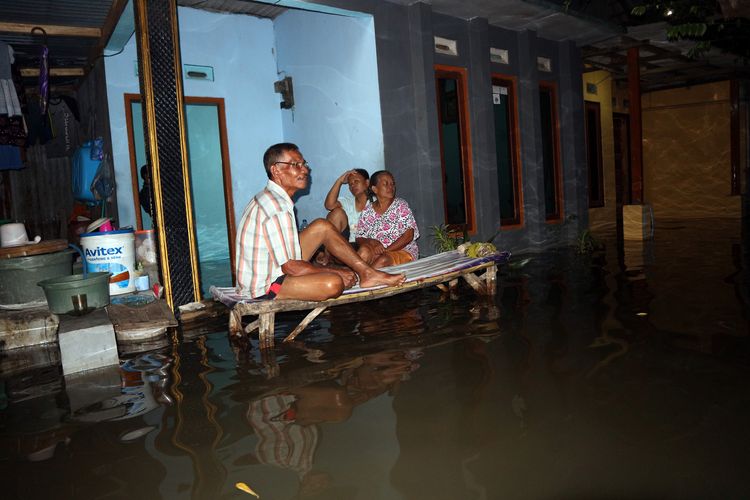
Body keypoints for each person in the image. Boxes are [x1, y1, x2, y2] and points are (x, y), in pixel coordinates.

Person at [235, 143, 405, 301]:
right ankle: (364, 272)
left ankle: (367, 273)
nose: (305, 170)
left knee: (321, 226)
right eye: (296, 165)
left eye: (303, 164)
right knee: (334, 282)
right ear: (276, 170)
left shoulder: (272, 198)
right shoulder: (277, 207)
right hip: (263, 287)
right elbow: (291, 267)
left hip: (278, 268)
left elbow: (288, 262)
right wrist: (336, 270)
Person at [355, 170, 419, 268]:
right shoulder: (367, 210)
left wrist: (385, 251)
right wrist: (372, 242)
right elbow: (359, 237)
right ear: (374, 189)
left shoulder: (400, 205)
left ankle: (365, 276)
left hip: (402, 252)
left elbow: (408, 236)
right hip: (377, 252)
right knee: (364, 251)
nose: (391, 187)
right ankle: (358, 276)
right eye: (386, 184)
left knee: (383, 260)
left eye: (392, 184)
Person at [324, 168, 370, 242]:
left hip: (368, 245)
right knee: (336, 213)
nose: (353, 186)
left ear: (367, 183)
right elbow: (329, 205)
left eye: (356, 181)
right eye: (350, 184)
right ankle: (330, 252)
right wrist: (340, 181)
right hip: (346, 245)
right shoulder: (347, 201)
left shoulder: (377, 202)